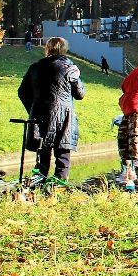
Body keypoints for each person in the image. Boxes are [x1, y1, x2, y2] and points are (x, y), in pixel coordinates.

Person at [17, 36, 86, 180]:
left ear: (47, 49)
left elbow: (22, 92)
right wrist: (78, 76)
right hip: (64, 115)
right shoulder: (70, 68)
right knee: (62, 153)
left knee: (43, 151)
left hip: (41, 114)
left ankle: (40, 182)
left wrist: (33, 109)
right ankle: (59, 185)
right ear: (64, 50)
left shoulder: (35, 67)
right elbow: (80, 94)